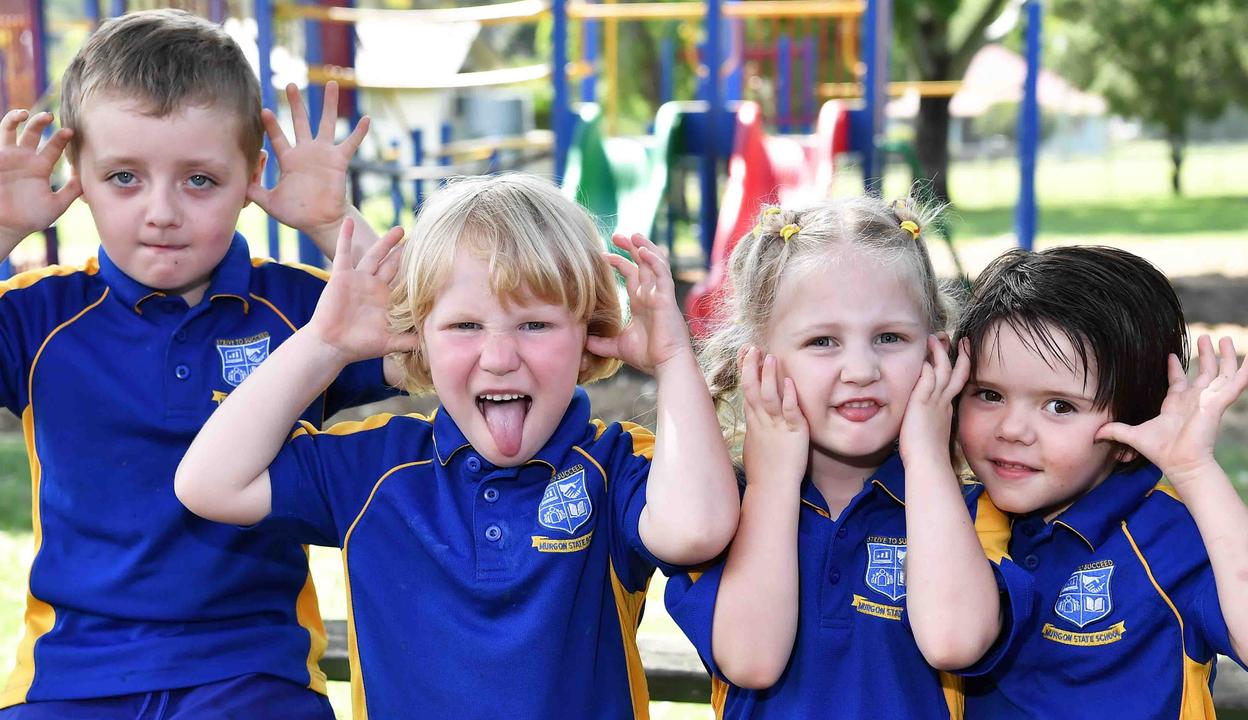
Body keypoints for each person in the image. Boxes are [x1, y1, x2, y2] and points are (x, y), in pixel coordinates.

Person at [174, 173, 741, 719]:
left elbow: (697, 529)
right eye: (465, 326)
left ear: (590, 336)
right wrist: (324, 346)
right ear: (417, 336)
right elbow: (208, 483)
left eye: (535, 325)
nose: (499, 357)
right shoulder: (374, 469)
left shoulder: (616, 465)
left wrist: (672, 361)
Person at [0, 10, 391, 718]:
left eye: (200, 181)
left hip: (254, 673)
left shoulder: (303, 309)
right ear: (76, 178)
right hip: (71, 676)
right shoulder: (37, 318)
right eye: (123, 177)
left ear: (252, 175)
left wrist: (337, 226)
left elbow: (447, 340)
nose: (162, 212)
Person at [664, 198, 1028, 719]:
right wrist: (771, 486)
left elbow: (956, 641)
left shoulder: (977, 512)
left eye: (889, 337)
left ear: (935, 353)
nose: (860, 369)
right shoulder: (719, 508)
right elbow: (750, 661)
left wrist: (926, 458)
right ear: (758, 361)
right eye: (823, 341)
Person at [925, 245, 1248, 717]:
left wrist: (1194, 469)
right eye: (989, 394)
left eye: (1060, 406)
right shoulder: (945, 520)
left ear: (1131, 431)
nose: (1011, 429)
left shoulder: (1167, 535)